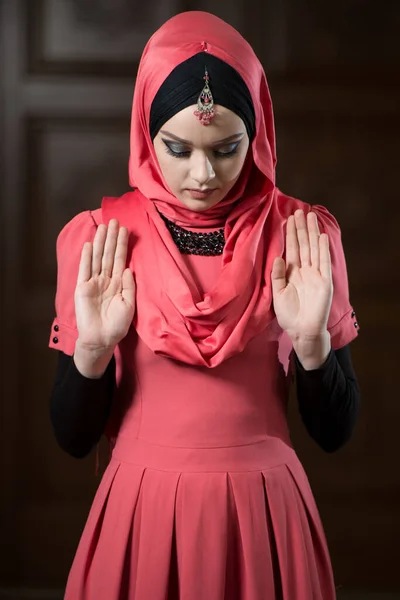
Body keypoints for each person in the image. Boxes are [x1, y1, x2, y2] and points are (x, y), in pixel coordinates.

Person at [48, 10, 360, 600]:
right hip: (142, 511)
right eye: (178, 147)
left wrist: (314, 345)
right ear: (146, 130)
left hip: (265, 515)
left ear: (258, 133)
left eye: (226, 149)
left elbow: (335, 433)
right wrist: (91, 350)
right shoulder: (102, 239)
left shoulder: (300, 235)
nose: (202, 174)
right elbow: (71, 437)